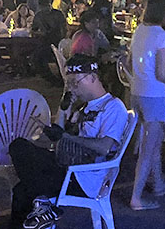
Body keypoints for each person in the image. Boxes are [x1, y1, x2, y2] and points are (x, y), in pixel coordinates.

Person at [9, 54, 128, 229]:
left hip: (82, 177)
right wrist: (64, 108)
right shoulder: (83, 106)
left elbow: (104, 147)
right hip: (66, 165)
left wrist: (66, 137)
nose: (72, 88)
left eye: (75, 83)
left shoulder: (113, 107)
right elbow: (58, 135)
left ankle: (44, 205)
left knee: (24, 189)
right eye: (68, 84)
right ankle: (43, 205)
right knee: (19, 148)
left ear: (92, 77)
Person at [129, 0, 165, 210]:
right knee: (149, 149)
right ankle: (136, 197)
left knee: (154, 141)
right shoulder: (162, 36)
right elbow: (161, 74)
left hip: (136, 92)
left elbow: (130, 61)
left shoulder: (139, 30)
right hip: (154, 94)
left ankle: (158, 183)